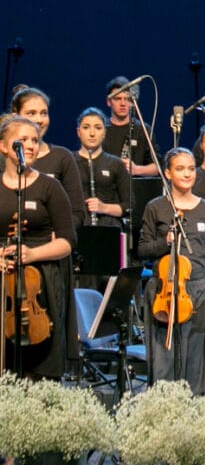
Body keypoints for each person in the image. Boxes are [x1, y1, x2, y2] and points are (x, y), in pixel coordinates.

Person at [137, 147, 205, 395]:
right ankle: (164, 410)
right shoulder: (156, 207)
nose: (187, 174)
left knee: (196, 361)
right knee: (164, 360)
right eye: (180, 168)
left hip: (198, 291)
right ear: (167, 173)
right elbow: (142, 249)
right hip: (164, 289)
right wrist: (165, 242)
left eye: (191, 168)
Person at [0, 115, 74, 379]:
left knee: (41, 365)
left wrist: (32, 254)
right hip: (3, 282)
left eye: (34, 140)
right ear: (4, 147)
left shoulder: (50, 186)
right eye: (22, 140)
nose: (30, 145)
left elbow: (67, 241)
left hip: (41, 280)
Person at [11, 86, 85, 229]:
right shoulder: (4, 159)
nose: (39, 120)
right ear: (16, 117)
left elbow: (77, 213)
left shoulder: (63, 157)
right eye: (31, 113)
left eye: (44, 113)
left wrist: (57, 236)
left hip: (51, 245)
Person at [73, 107, 131, 230]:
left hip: (108, 228)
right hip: (76, 228)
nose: (92, 133)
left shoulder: (115, 164)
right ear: (78, 132)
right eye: (86, 127)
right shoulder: (68, 161)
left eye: (98, 128)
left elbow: (129, 206)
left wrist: (103, 207)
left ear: (104, 133)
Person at [102, 76, 161, 177]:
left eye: (127, 99)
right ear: (108, 101)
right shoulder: (101, 130)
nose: (123, 103)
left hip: (136, 189)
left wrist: (136, 169)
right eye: (118, 99)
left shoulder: (143, 129)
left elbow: (158, 167)